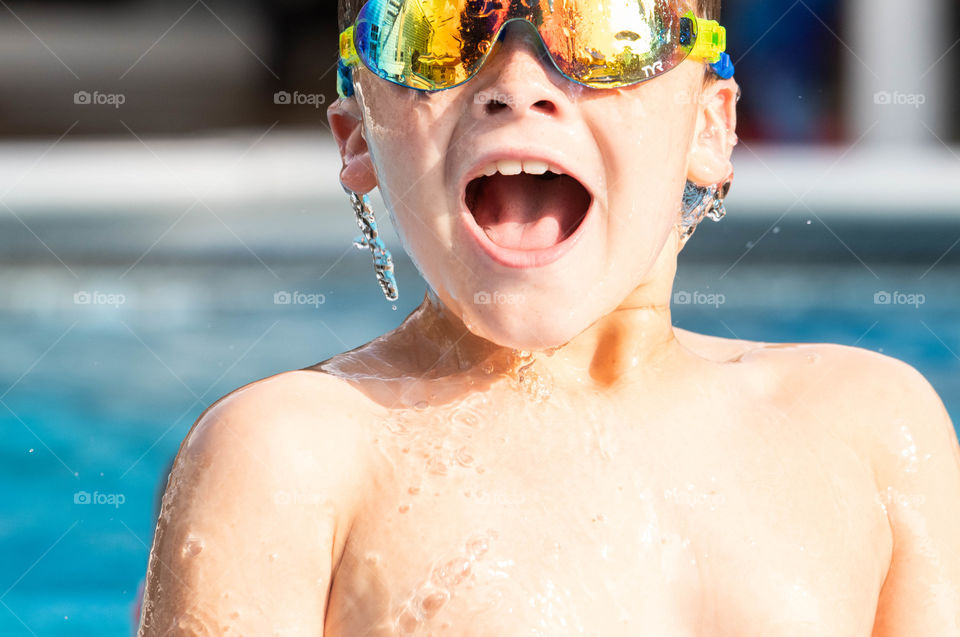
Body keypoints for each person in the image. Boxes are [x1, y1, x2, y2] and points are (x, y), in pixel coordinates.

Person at [138, 1, 960, 634]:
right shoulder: (291, 458)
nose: (518, 84)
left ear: (711, 127)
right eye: (435, 29)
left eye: (603, 27)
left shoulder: (872, 435)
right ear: (357, 139)